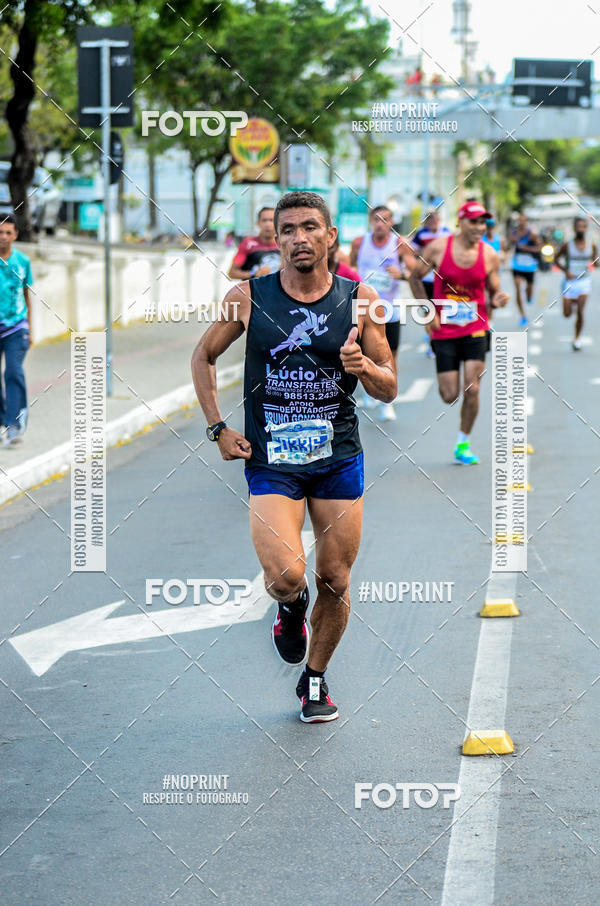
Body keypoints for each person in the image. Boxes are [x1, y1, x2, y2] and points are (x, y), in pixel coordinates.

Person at [191, 191, 396, 723]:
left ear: (331, 237)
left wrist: (363, 367)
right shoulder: (248, 297)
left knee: (337, 579)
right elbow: (204, 355)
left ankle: (315, 679)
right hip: (271, 458)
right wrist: (217, 427)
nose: (299, 238)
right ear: (275, 239)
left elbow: (390, 386)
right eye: (288, 230)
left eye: (310, 227)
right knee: (287, 574)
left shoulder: (360, 300)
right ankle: (288, 609)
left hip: (337, 459)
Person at [408, 200, 509, 464]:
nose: (479, 227)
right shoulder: (439, 248)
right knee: (449, 394)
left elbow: (494, 286)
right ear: (460, 223)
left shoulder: (489, 254)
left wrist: (498, 297)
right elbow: (415, 277)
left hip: (476, 328)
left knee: (472, 389)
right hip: (444, 330)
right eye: (473, 222)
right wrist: (427, 311)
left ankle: (462, 443)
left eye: (482, 223)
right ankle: (459, 426)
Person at [349, 205, 416, 420]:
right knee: (361, 352)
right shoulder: (359, 243)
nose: (380, 224)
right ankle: (369, 390)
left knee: (390, 356)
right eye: (376, 220)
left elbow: (413, 270)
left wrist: (402, 274)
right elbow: (348, 269)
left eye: (385, 219)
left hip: (390, 309)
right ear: (371, 221)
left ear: (391, 222)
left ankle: (387, 402)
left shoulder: (399, 244)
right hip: (361, 308)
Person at [0, 214, 33, 446]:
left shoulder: (22, 262)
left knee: (13, 371)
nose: (3, 237)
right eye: (0, 233)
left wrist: (31, 329)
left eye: (8, 233)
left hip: (16, 328)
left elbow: (27, 296)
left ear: (15, 235)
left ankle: (14, 423)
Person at [555, 217, 598, 351]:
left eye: (583, 226)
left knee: (580, 311)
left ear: (586, 229)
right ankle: (572, 302)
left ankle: (577, 339)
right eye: (578, 226)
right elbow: (556, 259)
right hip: (570, 282)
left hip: (584, 281)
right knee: (567, 314)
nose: (580, 229)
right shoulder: (567, 245)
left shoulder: (592, 245)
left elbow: (595, 263)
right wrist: (565, 271)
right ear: (574, 228)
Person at [412, 210, 451, 357]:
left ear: (439, 219)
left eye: (433, 219)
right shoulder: (421, 234)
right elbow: (413, 250)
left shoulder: (447, 233)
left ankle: (439, 339)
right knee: (429, 312)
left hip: (442, 280)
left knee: (441, 312)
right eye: (428, 219)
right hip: (426, 279)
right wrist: (423, 253)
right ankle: (431, 341)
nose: (431, 222)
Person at [227, 207, 280, 280]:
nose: (268, 224)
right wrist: (253, 273)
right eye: (264, 220)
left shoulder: (284, 244)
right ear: (258, 223)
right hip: (254, 290)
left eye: (271, 220)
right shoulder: (248, 243)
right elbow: (232, 273)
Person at [509, 212, 541, 327]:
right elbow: (509, 245)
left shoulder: (532, 234)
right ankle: (523, 316)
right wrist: (512, 240)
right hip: (517, 265)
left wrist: (526, 248)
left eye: (523, 220)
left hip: (530, 266)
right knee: (518, 288)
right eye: (519, 220)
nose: (521, 222)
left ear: (526, 221)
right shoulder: (514, 233)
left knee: (529, 291)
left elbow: (538, 248)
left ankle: (529, 296)